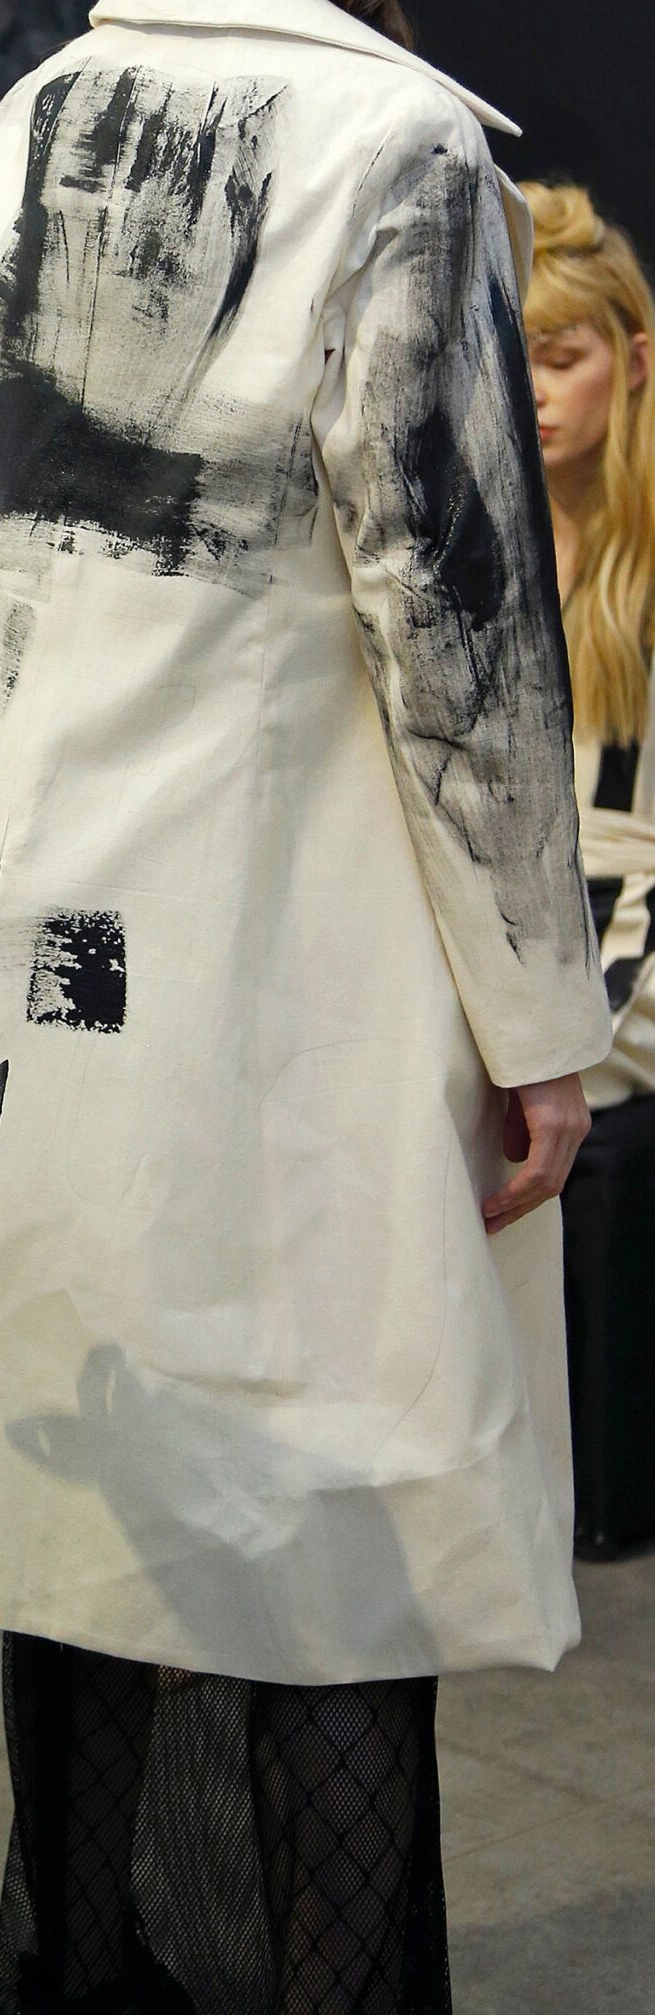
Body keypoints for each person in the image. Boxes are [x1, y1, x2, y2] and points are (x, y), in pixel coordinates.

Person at [0, 0, 608, 2013]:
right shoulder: (396, 150)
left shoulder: (16, 120)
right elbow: (463, 649)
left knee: (91, 1565)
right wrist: (543, 1030)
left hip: (42, 958)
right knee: (317, 1581)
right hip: (285, 972)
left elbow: (19, 604)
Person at [523, 181, 655, 1556]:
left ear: (633, 356)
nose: (535, 392)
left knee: (554, 1053)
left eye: (561, 357)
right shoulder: (492, 535)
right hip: (530, 895)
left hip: (635, 914)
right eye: (513, 358)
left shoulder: (646, 550)